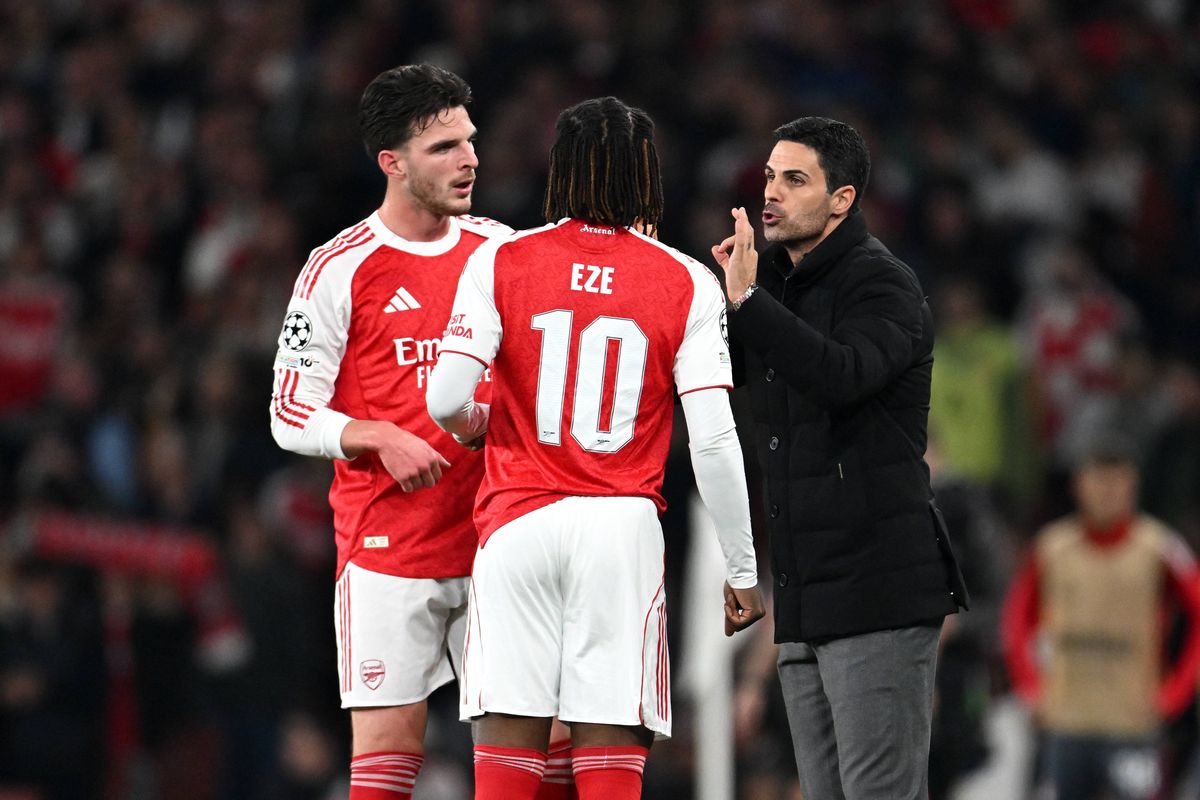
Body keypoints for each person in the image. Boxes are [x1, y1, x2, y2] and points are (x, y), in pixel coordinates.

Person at [425, 95, 765, 800]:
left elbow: (442, 399)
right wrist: (741, 568)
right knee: (609, 769)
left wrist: (475, 423)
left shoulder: (502, 259)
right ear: (646, 176)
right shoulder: (685, 280)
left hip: (517, 523)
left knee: (506, 773)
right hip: (619, 531)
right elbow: (714, 439)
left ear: (564, 170)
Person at [268, 63, 531, 799]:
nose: (470, 158)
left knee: (532, 747)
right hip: (390, 547)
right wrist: (375, 435)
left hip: (494, 539)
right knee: (387, 756)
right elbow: (289, 410)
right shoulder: (337, 269)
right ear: (393, 163)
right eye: (444, 146)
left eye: (470, 141)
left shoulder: (499, 250)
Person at [710, 116, 969, 800]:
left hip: (877, 591)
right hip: (806, 599)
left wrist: (748, 301)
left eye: (795, 180)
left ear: (842, 200)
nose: (772, 192)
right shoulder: (777, 292)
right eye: (769, 176)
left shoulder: (882, 283)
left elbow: (841, 375)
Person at [1002, 437, 1200, 800]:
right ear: (1080, 484)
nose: (1106, 492)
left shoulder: (1160, 549)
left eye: (1116, 481)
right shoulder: (1052, 548)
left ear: (1132, 484)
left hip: (1132, 723)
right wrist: (1031, 688)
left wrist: (1175, 692)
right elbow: (1016, 620)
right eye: (1098, 481)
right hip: (1068, 722)